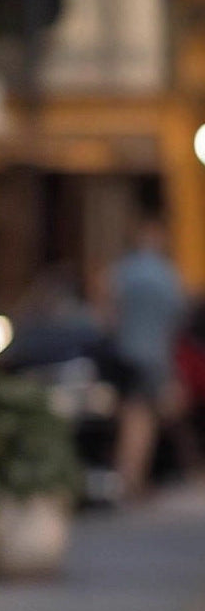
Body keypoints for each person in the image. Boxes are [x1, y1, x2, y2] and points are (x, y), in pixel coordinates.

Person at [108, 212, 187, 500]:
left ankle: (128, 475)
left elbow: (107, 312)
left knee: (131, 415)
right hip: (153, 355)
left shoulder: (123, 270)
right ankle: (132, 478)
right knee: (142, 419)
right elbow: (176, 320)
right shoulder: (166, 275)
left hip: (124, 352)